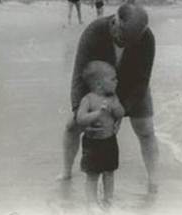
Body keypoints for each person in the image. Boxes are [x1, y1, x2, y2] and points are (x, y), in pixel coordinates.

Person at [59, 2, 159, 194]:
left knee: (145, 129)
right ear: (115, 21)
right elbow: (80, 75)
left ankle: (153, 180)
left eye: (132, 41)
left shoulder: (146, 38)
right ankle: (66, 172)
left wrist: (121, 110)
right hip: (100, 85)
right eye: (123, 37)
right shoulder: (94, 31)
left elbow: (142, 81)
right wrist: (80, 111)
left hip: (132, 85)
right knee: (72, 126)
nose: (126, 44)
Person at [77, 61, 124, 210]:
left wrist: (117, 109)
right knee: (92, 174)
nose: (117, 81)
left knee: (109, 172)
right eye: (113, 79)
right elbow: (80, 119)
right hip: (92, 143)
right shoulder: (88, 99)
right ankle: (91, 202)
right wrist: (98, 113)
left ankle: (108, 201)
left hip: (109, 141)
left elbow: (121, 113)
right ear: (98, 84)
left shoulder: (113, 98)